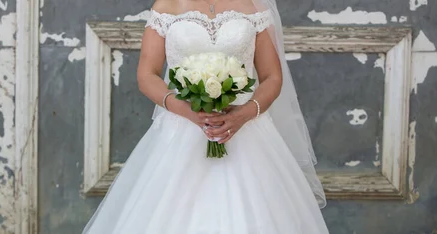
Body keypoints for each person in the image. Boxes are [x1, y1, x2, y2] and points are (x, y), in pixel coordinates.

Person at [83, 0, 329, 233]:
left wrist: (243, 114)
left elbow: (272, 77)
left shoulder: (252, 7)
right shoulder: (167, 6)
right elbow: (147, 75)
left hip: (247, 131)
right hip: (180, 130)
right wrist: (189, 112)